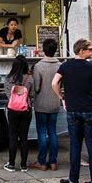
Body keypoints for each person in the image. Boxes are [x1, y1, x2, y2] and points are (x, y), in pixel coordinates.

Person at [52, 38, 92, 183]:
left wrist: (62, 98)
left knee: (75, 145)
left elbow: (54, 83)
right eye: (90, 49)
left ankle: (73, 180)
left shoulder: (65, 66)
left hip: (73, 110)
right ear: (81, 51)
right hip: (89, 109)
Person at [30, 38, 61, 171]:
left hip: (41, 103)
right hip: (55, 102)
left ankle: (42, 162)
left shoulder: (38, 66)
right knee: (53, 132)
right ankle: (53, 162)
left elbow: (36, 87)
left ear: (43, 49)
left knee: (42, 132)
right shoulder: (60, 65)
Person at [3, 55, 34, 172]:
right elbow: (33, 94)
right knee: (24, 138)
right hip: (26, 110)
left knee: (13, 137)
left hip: (12, 110)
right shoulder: (30, 78)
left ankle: (11, 164)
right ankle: (24, 165)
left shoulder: (8, 78)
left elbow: (8, 95)